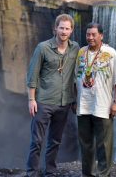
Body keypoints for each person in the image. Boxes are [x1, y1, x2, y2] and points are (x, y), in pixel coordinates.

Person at [25, 13, 80, 177]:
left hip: (64, 103)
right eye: (61, 28)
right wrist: (31, 99)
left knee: (55, 141)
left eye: (67, 28)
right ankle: (32, 172)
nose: (64, 31)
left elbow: (78, 75)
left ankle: (50, 171)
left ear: (71, 31)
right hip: (43, 101)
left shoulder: (75, 48)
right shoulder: (43, 48)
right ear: (55, 28)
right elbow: (32, 75)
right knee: (37, 141)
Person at [75, 22, 116, 177]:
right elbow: (76, 76)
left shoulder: (111, 53)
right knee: (85, 144)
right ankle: (86, 174)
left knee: (104, 145)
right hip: (83, 106)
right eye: (88, 34)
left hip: (103, 106)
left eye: (93, 34)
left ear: (101, 36)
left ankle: (103, 174)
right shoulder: (81, 52)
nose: (90, 37)